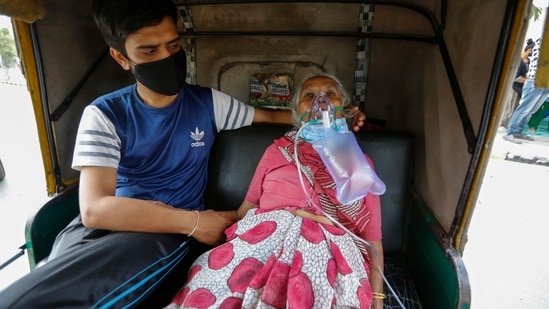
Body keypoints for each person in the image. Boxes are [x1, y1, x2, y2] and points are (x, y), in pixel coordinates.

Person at [0, 1, 365, 308]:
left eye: (173, 46)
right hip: (105, 228)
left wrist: (336, 118)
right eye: (149, 51)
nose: (166, 57)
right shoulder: (105, 114)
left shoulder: (207, 103)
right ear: (121, 57)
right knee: (49, 276)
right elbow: (95, 209)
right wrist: (195, 223)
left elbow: (278, 117)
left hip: (161, 235)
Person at [167, 74, 386, 309]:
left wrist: (378, 300)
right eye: (309, 95)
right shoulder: (278, 151)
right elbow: (243, 213)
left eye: (330, 94)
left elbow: (372, 240)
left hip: (330, 249)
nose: (320, 101)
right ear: (295, 112)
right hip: (264, 237)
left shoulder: (358, 164)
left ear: (342, 108)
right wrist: (195, 220)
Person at [503, 37, 549, 144]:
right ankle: (510, 132)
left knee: (531, 110)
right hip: (535, 80)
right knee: (524, 108)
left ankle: (518, 131)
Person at [499, 39, 535, 129]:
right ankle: (503, 124)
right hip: (514, 88)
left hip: (521, 89)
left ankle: (509, 125)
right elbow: (516, 77)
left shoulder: (529, 62)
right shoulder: (519, 60)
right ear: (529, 50)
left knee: (515, 108)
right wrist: (529, 80)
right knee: (510, 108)